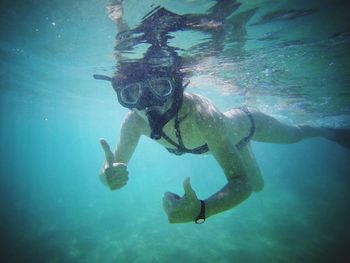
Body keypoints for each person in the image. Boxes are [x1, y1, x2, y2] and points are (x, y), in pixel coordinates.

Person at [95, 1, 349, 224]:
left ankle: (326, 131)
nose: (150, 104)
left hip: (247, 125)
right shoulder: (134, 122)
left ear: (176, 86)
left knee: (295, 134)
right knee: (260, 187)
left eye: (161, 87)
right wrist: (108, 178)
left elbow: (241, 184)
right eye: (131, 94)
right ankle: (241, 147)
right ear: (122, 97)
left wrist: (202, 211)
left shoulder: (201, 115)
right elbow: (113, 168)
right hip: (227, 140)